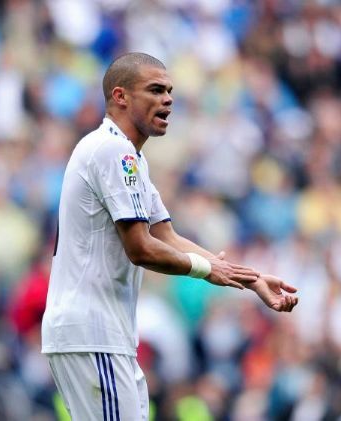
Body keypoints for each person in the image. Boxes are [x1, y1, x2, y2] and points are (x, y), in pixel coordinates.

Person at [41, 52, 298, 420]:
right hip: (94, 332)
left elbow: (168, 237)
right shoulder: (113, 151)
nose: (168, 99)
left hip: (100, 334)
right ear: (120, 96)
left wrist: (253, 279)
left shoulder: (130, 159)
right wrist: (206, 271)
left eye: (170, 91)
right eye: (155, 90)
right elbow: (141, 248)